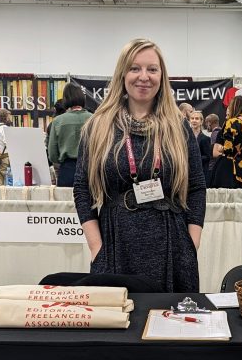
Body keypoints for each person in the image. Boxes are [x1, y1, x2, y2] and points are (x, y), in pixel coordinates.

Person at [73, 38, 206, 293]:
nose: (143, 77)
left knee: (172, 327)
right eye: (135, 68)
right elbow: (82, 188)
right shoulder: (99, 126)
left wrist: (191, 243)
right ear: (122, 74)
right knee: (119, 327)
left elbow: (197, 187)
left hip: (172, 244)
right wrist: (96, 248)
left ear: (161, 75)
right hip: (116, 242)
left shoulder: (179, 128)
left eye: (152, 69)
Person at [46, 83, 93, 187]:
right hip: (90, 170)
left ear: (65, 99)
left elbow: (52, 154)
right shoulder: (94, 119)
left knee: (65, 202)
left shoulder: (58, 121)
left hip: (67, 170)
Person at [210, 95, 242, 188]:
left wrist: (221, 149)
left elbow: (228, 149)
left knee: (227, 198)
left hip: (231, 167)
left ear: (234, 106)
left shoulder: (231, 122)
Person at [188, 110, 212, 176]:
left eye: (197, 118)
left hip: (201, 172)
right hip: (188, 172)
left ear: (201, 121)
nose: (194, 120)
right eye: (192, 118)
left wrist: (193, 159)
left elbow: (208, 156)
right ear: (189, 120)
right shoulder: (186, 138)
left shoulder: (206, 138)